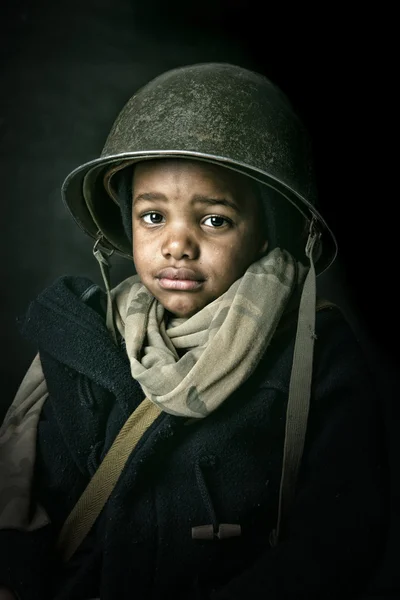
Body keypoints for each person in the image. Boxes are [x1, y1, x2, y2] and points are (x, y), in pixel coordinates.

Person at [0, 63, 387, 600]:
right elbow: (34, 502)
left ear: (265, 231)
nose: (177, 244)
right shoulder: (85, 337)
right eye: (153, 217)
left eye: (214, 220)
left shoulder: (316, 353)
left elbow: (340, 537)